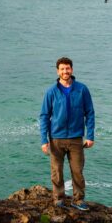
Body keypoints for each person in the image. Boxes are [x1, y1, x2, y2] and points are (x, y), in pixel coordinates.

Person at [38, 56, 95, 210]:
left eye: (67, 68)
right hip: (56, 138)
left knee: (77, 172)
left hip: (76, 138)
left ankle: (78, 200)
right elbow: (44, 116)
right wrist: (44, 140)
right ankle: (58, 198)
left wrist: (90, 136)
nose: (65, 71)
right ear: (58, 71)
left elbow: (90, 113)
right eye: (62, 69)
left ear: (72, 69)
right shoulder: (51, 92)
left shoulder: (82, 89)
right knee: (57, 172)